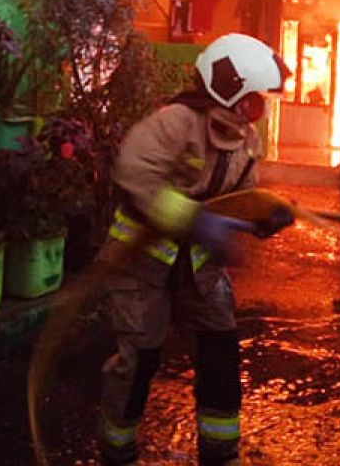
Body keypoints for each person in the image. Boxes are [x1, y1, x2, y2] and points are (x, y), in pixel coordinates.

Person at [97, 33, 290, 465]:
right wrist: (194, 219)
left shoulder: (244, 139)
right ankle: (117, 451)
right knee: (140, 360)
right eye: (251, 97)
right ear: (228, 87)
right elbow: (134, 174)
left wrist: (264, 216)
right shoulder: (174, 122)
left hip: (199, 272)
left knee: (221, 352)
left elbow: (242, 196)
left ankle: (221, 453)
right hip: (140, 266)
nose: (255, 108)